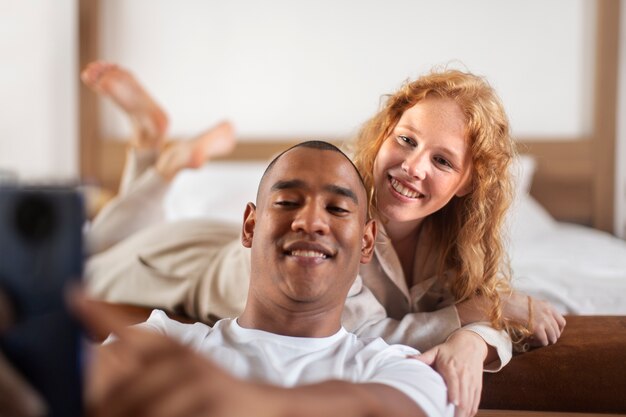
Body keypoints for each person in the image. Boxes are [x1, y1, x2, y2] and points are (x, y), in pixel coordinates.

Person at [82, 62, 565, 417]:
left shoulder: (459, 247)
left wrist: (473, 337)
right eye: (407, 140)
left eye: (443, 161)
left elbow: (480, 313)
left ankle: (152, 149)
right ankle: (155, 159)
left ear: (466, 182)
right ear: (383, 137)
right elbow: (349, 326)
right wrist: (467, 316)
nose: (413, 167)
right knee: (89, 260)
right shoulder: (334, 207)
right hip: (209, 264)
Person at [74, 141, 453, 417]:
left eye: (337, 208)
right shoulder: (165, 339)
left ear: (367, 242)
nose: (311, 222)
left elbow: (379, 409)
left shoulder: (397, 367)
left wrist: (248, 403)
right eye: (288, 203)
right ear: (250, 226)